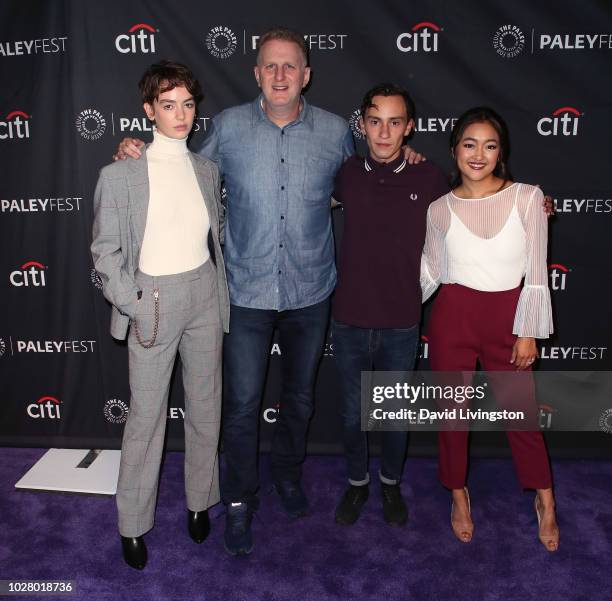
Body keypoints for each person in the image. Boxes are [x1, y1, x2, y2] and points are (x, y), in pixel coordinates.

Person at [114, 27, 423, 557]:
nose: (280, 75)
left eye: (290, 67)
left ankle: (286, 474)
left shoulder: (333, 132)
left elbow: (370, 174)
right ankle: (238, 496)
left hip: (311, 291)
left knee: (300, 399)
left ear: (306, 74)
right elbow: (180, 169)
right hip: (244, 292)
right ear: (256, 73)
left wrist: (408, 156)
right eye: (270, 66)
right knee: (239, 404)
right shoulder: (229, 128)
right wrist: (136, 155)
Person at [91, 60, 229, 569]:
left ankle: (199, 501)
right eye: (168, 105)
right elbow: (105, 254)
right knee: (146, 420)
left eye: (188, 104)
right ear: (149, 110)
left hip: (204, 296)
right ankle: (132, 523)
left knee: (205, 407)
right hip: (150, 299)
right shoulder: (120, 173)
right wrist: (133, 301)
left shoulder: (207, 170)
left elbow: (215, 238)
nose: (180, 115)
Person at [420, 106, 560, 551]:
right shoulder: (439, 208)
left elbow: (537, 270)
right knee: (453, 418)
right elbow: (431, 271)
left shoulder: (528, 198)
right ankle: (457, 493)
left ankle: (545, 499)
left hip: (509, 317)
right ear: (454, 150)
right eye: (468, 144)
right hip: (453, 316)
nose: (478, 154)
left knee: (521, 415)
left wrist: (528, 331)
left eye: (489, 145)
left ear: (501, 153)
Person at [331, 84, 449, 526]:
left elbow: (472, 211)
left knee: (394, 415)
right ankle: (357, 485)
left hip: (402, 320)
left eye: (394, 121)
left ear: (409, 128)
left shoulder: (430, 176)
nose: (384, 132)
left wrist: (532, 204)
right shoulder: (345, 172)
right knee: (350, 412)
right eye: (375, 121)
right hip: (348, 318)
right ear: (362, 124)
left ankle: (390, 485)